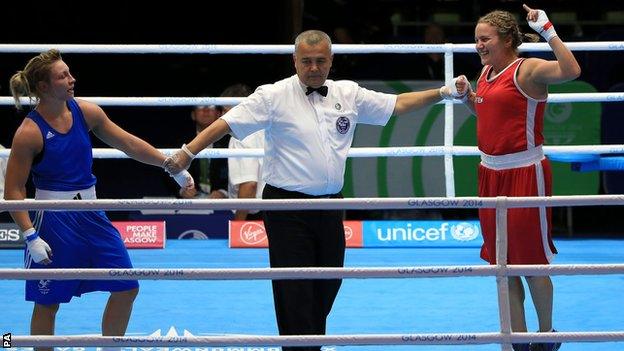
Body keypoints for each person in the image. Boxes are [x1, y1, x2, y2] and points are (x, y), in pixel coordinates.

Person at [164, 30, 466, 351]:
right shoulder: (272, 95)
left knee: (328, 284)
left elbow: (397, 105)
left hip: (331, 206)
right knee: (294, 291)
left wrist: (444, 92)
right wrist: (187, 152)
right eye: (306, 61)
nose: (313, 67)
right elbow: (225, 123)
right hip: (286, 208)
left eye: (320, 60)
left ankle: (308, 345)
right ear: (294, 61)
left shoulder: (347, 93)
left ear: (331, 60)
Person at [4, 49, 193, 349]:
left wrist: (169, 165)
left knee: (126, 286)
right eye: (62, 75)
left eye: (69, 72)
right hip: (53, 219)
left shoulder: (86, 112)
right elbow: (13, 190)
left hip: (92, 214)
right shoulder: (29, 132)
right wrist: (30, 236)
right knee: (48, 302)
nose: (71, 79)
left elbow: (128, 143)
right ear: (43, 87)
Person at [452, 5, 581, 351]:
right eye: (476, 39)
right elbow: (487, 112)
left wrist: (548, 30)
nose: (478, 45)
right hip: (489, 175)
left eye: (485, 39)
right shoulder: (487, 72)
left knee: (532, 261)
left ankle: (547, 335)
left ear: (507, 39)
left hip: (525, 174)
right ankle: (516, 340)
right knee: (503, 265)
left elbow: (572, 70)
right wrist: (467, 98)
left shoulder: (528, 70)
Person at [221, 83, 266, 220]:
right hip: (274, 209)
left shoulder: (239, 136)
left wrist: (239, 224)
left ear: (236, 110)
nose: (221, 116)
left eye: (224, 110)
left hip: (253, 215)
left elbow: (249, 185)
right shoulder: (265, 129)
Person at [178, 103, 230, 199]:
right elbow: (169, 170)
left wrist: (223, 192)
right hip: (191, 204)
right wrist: (182, 189)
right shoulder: (182, 141)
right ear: (193, 115)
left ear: (219, 114)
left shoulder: (230, 142)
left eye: (211, 106)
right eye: (201, 106)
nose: (206, 110)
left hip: (222, 204)